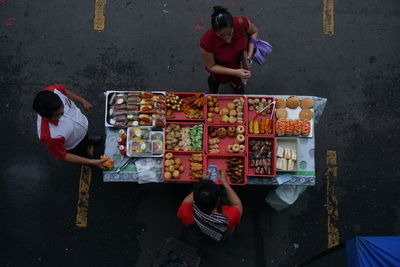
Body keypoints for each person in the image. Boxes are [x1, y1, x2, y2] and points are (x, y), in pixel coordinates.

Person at [32, 84, 106, 169]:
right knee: (81, 152)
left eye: (62, 108)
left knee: (85, 138)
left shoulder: (52, 91)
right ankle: (88, 161)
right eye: (59, 114)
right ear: (47, 116)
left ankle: (87, 139)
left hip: (80, 128)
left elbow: (64, 90)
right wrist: (91, 162)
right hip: (74, 145)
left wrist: (82, 100)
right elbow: (63, 155)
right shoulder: (50, 136)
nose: (63, 113)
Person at [200, 6, 259, 94]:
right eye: (221, 35)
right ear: (215, 32)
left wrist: (250, 51)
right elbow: (211, 66)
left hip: (239, 66)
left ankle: (236, 85)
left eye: (229, 33)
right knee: (214, 83)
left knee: (239, 88)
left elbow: (254, 32)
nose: (227, 38)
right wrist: (235, 72)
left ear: (233, 26)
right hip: (220, 72)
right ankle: (214, 92)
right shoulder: (207, 41)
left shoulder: (241, 23)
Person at [177, 169, 243, 245]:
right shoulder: (229, 218)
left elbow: (186, 201)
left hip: (198, 233)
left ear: (195, 200)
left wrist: (202, 184)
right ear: (218, 200)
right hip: (222, 236)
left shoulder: (185, 211)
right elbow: (237, 204)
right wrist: (225, 183)